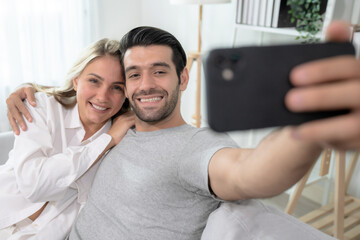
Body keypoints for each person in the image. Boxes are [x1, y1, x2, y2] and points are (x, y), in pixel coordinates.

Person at [6, 21, 360, 239]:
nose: (145, 85)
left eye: (159, 71)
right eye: (134, 75)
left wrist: (306, 132)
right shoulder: (116, 123)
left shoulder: (194, 146)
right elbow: (83, 95)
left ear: (183, 77)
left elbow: (247, 172)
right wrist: (27, 90)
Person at [0, 38, 134, 240]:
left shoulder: (127, 143)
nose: (102, 96)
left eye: (117, 87)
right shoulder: (41, 107)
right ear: (76, 80)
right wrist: (106, 140)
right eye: (94, 81)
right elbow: (34, 186)